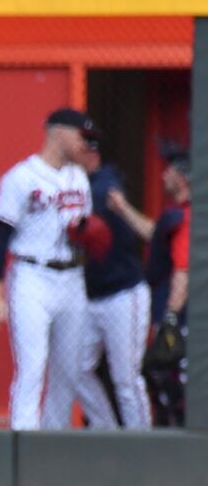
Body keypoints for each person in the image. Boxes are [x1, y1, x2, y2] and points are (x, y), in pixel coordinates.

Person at [0, 108, 101, 430]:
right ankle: (23, 444)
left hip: (72, 278)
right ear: (59, 132)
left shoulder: (78, 177)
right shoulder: (20, 177)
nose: (86, 144)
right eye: (82, 136)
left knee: (68, 370)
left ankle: (54, 445)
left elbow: (87, 228)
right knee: (32, 366)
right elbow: (0, 238)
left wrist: (88, 233)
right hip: (32, 276)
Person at [73, 135, 150, 429]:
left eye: (82, 149)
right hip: (92, 295)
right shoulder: (74, 183)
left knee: (126, 377)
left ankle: (142, 443)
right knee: (76, 369)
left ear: (92, 153)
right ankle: (107, 431)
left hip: (123, 292)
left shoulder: (105, 181)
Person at [110, 145, 190, 426]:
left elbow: (183, 272)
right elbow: (154, 235)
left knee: (172, 382)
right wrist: (122, 209)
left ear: (183, 177)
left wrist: (169, 317)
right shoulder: (175, 214)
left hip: (180, 316)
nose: (163, 176)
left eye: (169, 170)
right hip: (167, 309)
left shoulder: (188, 217)